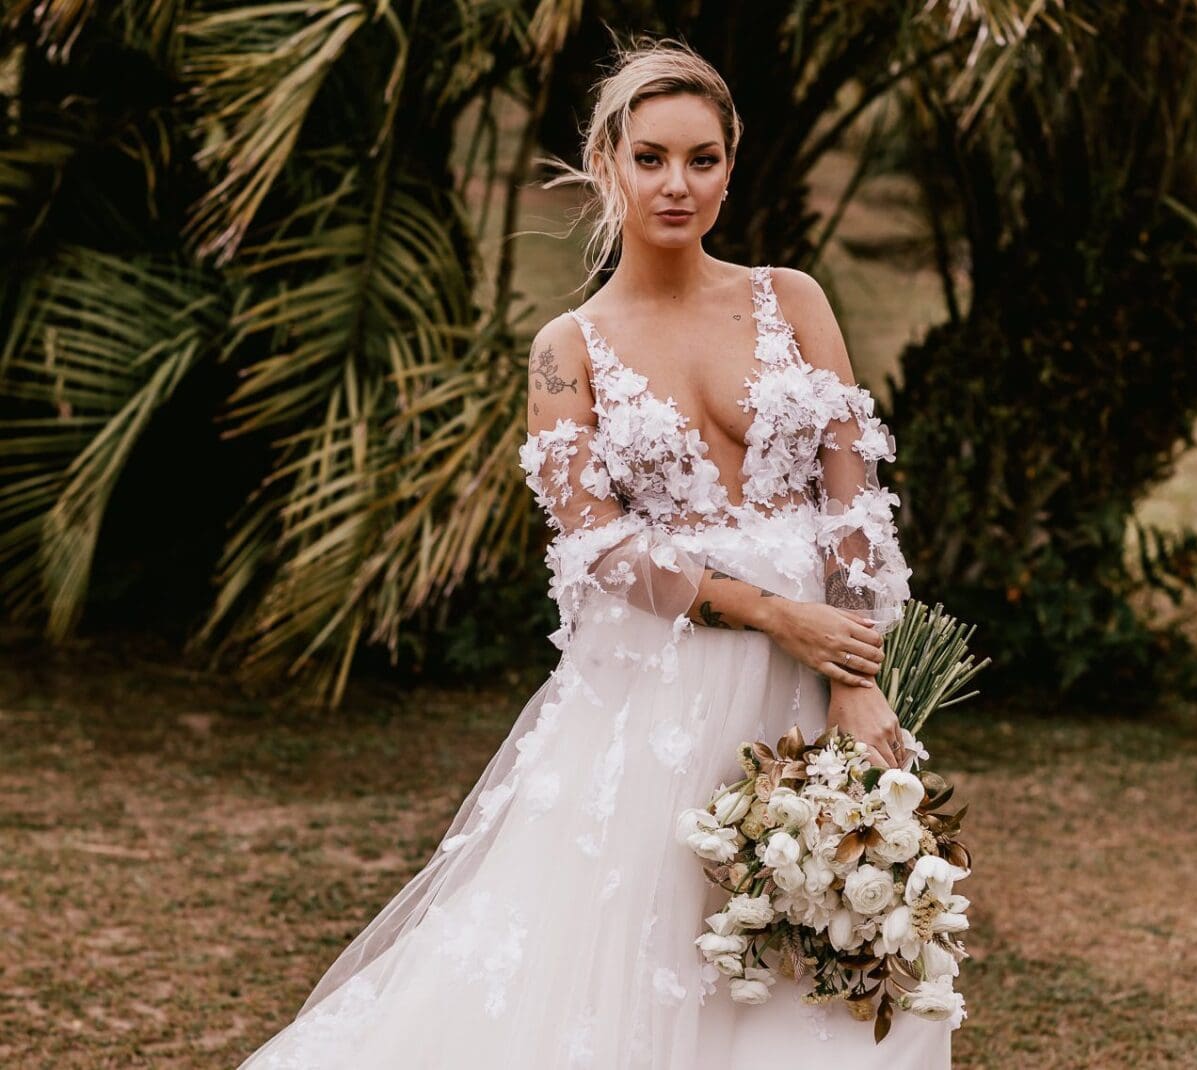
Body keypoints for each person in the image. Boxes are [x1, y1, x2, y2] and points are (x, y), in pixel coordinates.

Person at [237, 37, 949, 1070]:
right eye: (651, 157)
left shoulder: (790, 299)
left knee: (828, 943)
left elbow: (854, 503)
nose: (677, 183)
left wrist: (854, 677)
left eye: (701, 159)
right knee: (640, 961)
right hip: (661, 697)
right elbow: (599, 548)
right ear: (607, 161)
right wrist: (766, 609)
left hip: (817, 682)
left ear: (729, 165)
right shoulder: (565, 349)